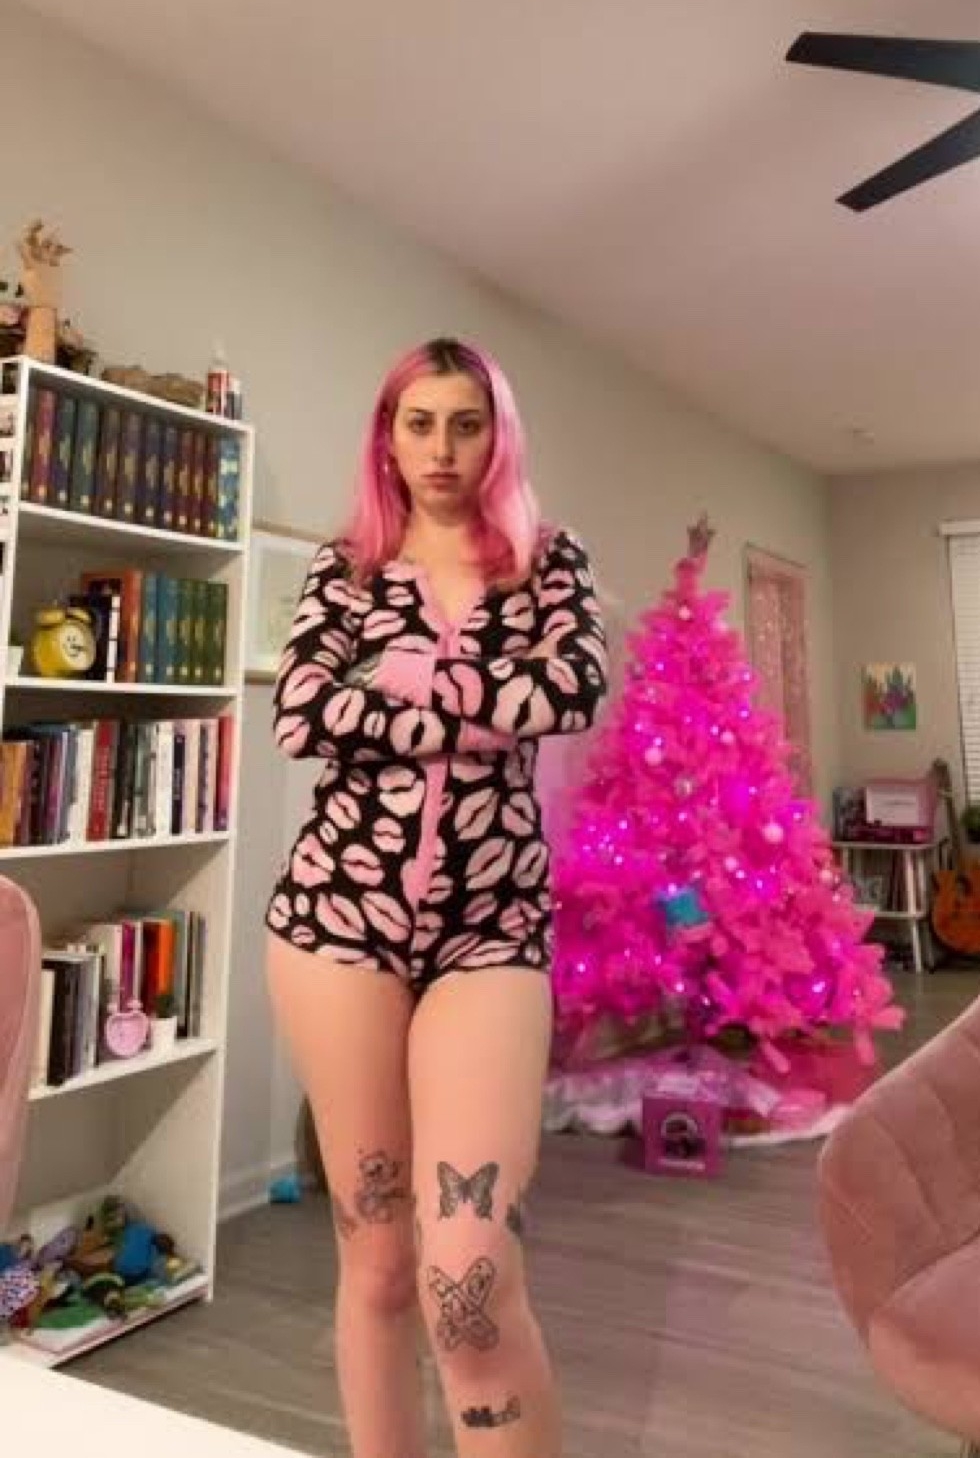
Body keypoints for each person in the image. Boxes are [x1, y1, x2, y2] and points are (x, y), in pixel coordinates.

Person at [265, 337, 608, 1458]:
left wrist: (403, 680)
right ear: (388, 436)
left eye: (467, 423)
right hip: (334, 930)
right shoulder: (346, 567)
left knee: (467, 1275)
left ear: (497, 434)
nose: (442, 449)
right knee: (373, 1263)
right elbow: (301, 712)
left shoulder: (547, 560)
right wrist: (484, 705)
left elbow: (574, 687)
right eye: (419, 423)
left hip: (490, 940)